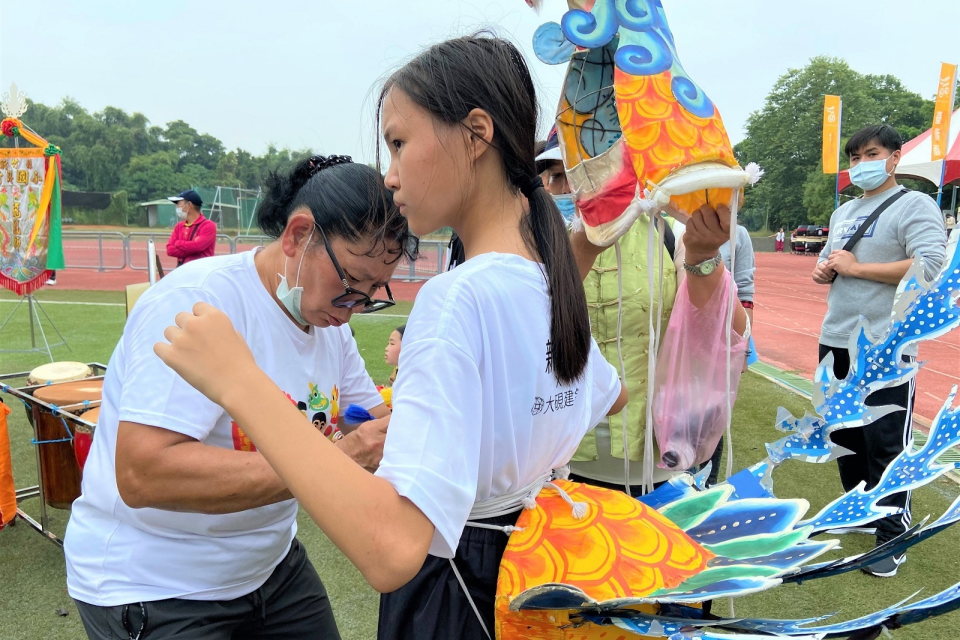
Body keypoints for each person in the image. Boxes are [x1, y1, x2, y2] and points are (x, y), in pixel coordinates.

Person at [153, 35, 627, 640]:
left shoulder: (456, 297)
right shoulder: (545, 277)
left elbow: (393, 549)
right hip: (533, 572)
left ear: (475, 133)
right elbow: (608, 397)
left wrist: (239, 383)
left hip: (460, 592)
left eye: (400, 143)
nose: (391, 175)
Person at [64, 156, 412, 639]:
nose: (353, 308)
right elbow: (143, 474)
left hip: (269, 566)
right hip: (157, 583)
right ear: (297, 236)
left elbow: (370, 423)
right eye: (350, 284)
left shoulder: (330, 327)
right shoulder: (197, 303)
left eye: (373, 292)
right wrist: (340, 457)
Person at [812, 124, 947, 578]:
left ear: (893, 158)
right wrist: (827, 269)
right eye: (853, 157)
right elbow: (838, 258)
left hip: (886, 343)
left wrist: (858, 268)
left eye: (870, 153)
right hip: (837, 337)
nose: (860, 164)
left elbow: (930, 266)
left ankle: (892, 534)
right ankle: (860, 509)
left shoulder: (915, 204)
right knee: (845, 435)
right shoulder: (845, 211)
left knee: (886, 441)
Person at [166, 189, 217, 267]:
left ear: (189, 205)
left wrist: (178, 243)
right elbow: (170, 250)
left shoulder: (208, 225)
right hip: (182, 270)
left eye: (179, 203)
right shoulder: (179, 226)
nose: (177, 207)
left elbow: (198, 246)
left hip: (201, 270)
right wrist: (192, 249)